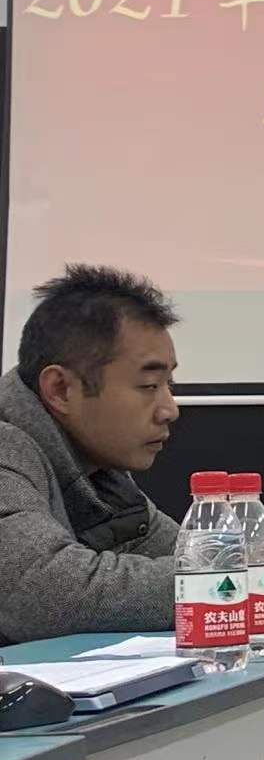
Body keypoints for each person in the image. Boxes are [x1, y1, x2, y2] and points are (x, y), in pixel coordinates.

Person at [0, 265, 185, 644]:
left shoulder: (100, 471)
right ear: (61, 389)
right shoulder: (6, 448)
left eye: (169, 384)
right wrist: (239, 577)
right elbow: (41, 596)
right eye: (149, 385)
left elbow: (186, 553)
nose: (170, 409)